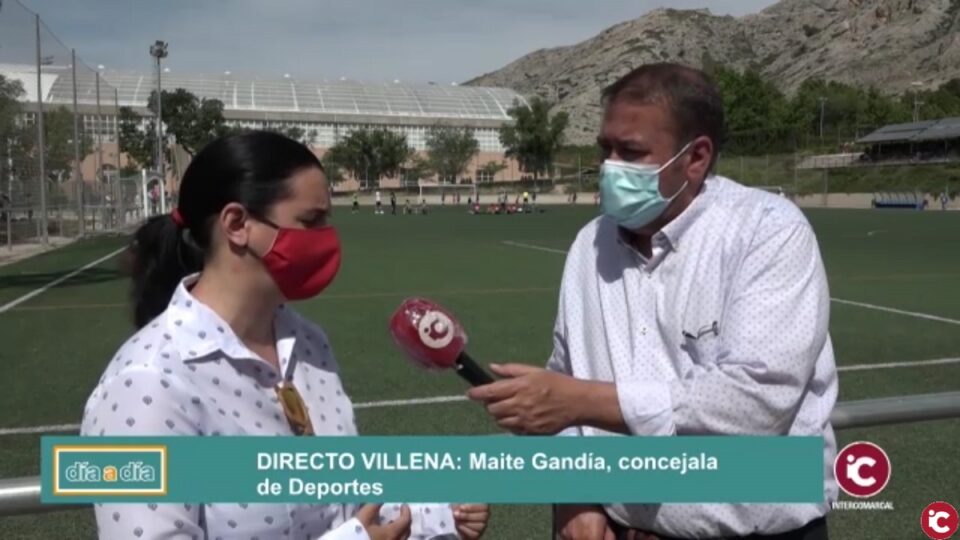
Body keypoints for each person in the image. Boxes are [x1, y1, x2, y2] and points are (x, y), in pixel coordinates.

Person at [467, 64, 836, 540]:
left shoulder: (767, 231)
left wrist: (582, 402)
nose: (609, 167)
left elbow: (754, 404)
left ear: (696, 157)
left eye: (631, 152)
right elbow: (565, 383)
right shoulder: (589, 246)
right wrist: (574, 495)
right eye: (606, 149)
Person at [81, 132, 489, 540]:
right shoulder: (143, 382)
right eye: (311, 222)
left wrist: (435, 516)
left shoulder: (309, 343)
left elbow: (336, 508)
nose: (328, 238)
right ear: (237, 225)